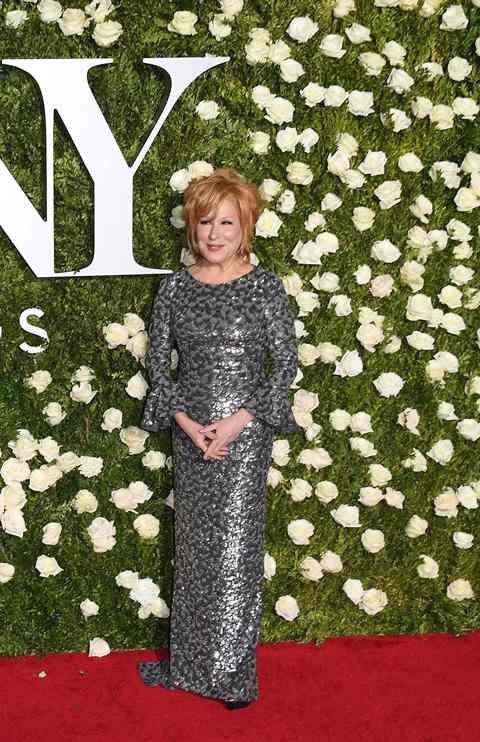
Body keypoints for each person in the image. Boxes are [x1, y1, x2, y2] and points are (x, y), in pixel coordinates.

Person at [136, 167, 301, 710]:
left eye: (226, 222)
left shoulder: (264, 286)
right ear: (192, 226)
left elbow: (284, 367)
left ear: (246, 225)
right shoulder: (175, 287)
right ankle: (188, 668)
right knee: (194, 551)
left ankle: (232, 677)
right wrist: (185, 422)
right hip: (191, 433)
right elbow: (160, 366)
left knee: (235, 552)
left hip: (243, 435)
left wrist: (238, 420)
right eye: (205, 221)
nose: (214, 233)